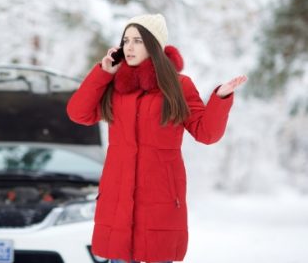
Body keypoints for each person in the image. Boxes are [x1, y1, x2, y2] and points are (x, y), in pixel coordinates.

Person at [66, 14, 247, 263]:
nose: (128, 47)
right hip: (118, 200)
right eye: (125, 40)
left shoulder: (178, 86)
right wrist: (103, 73)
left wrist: (221, 98)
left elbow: (207, 133)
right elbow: (78, 113)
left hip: (160, 201)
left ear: (154, 45)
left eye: (137, 40)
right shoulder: (115, 85)